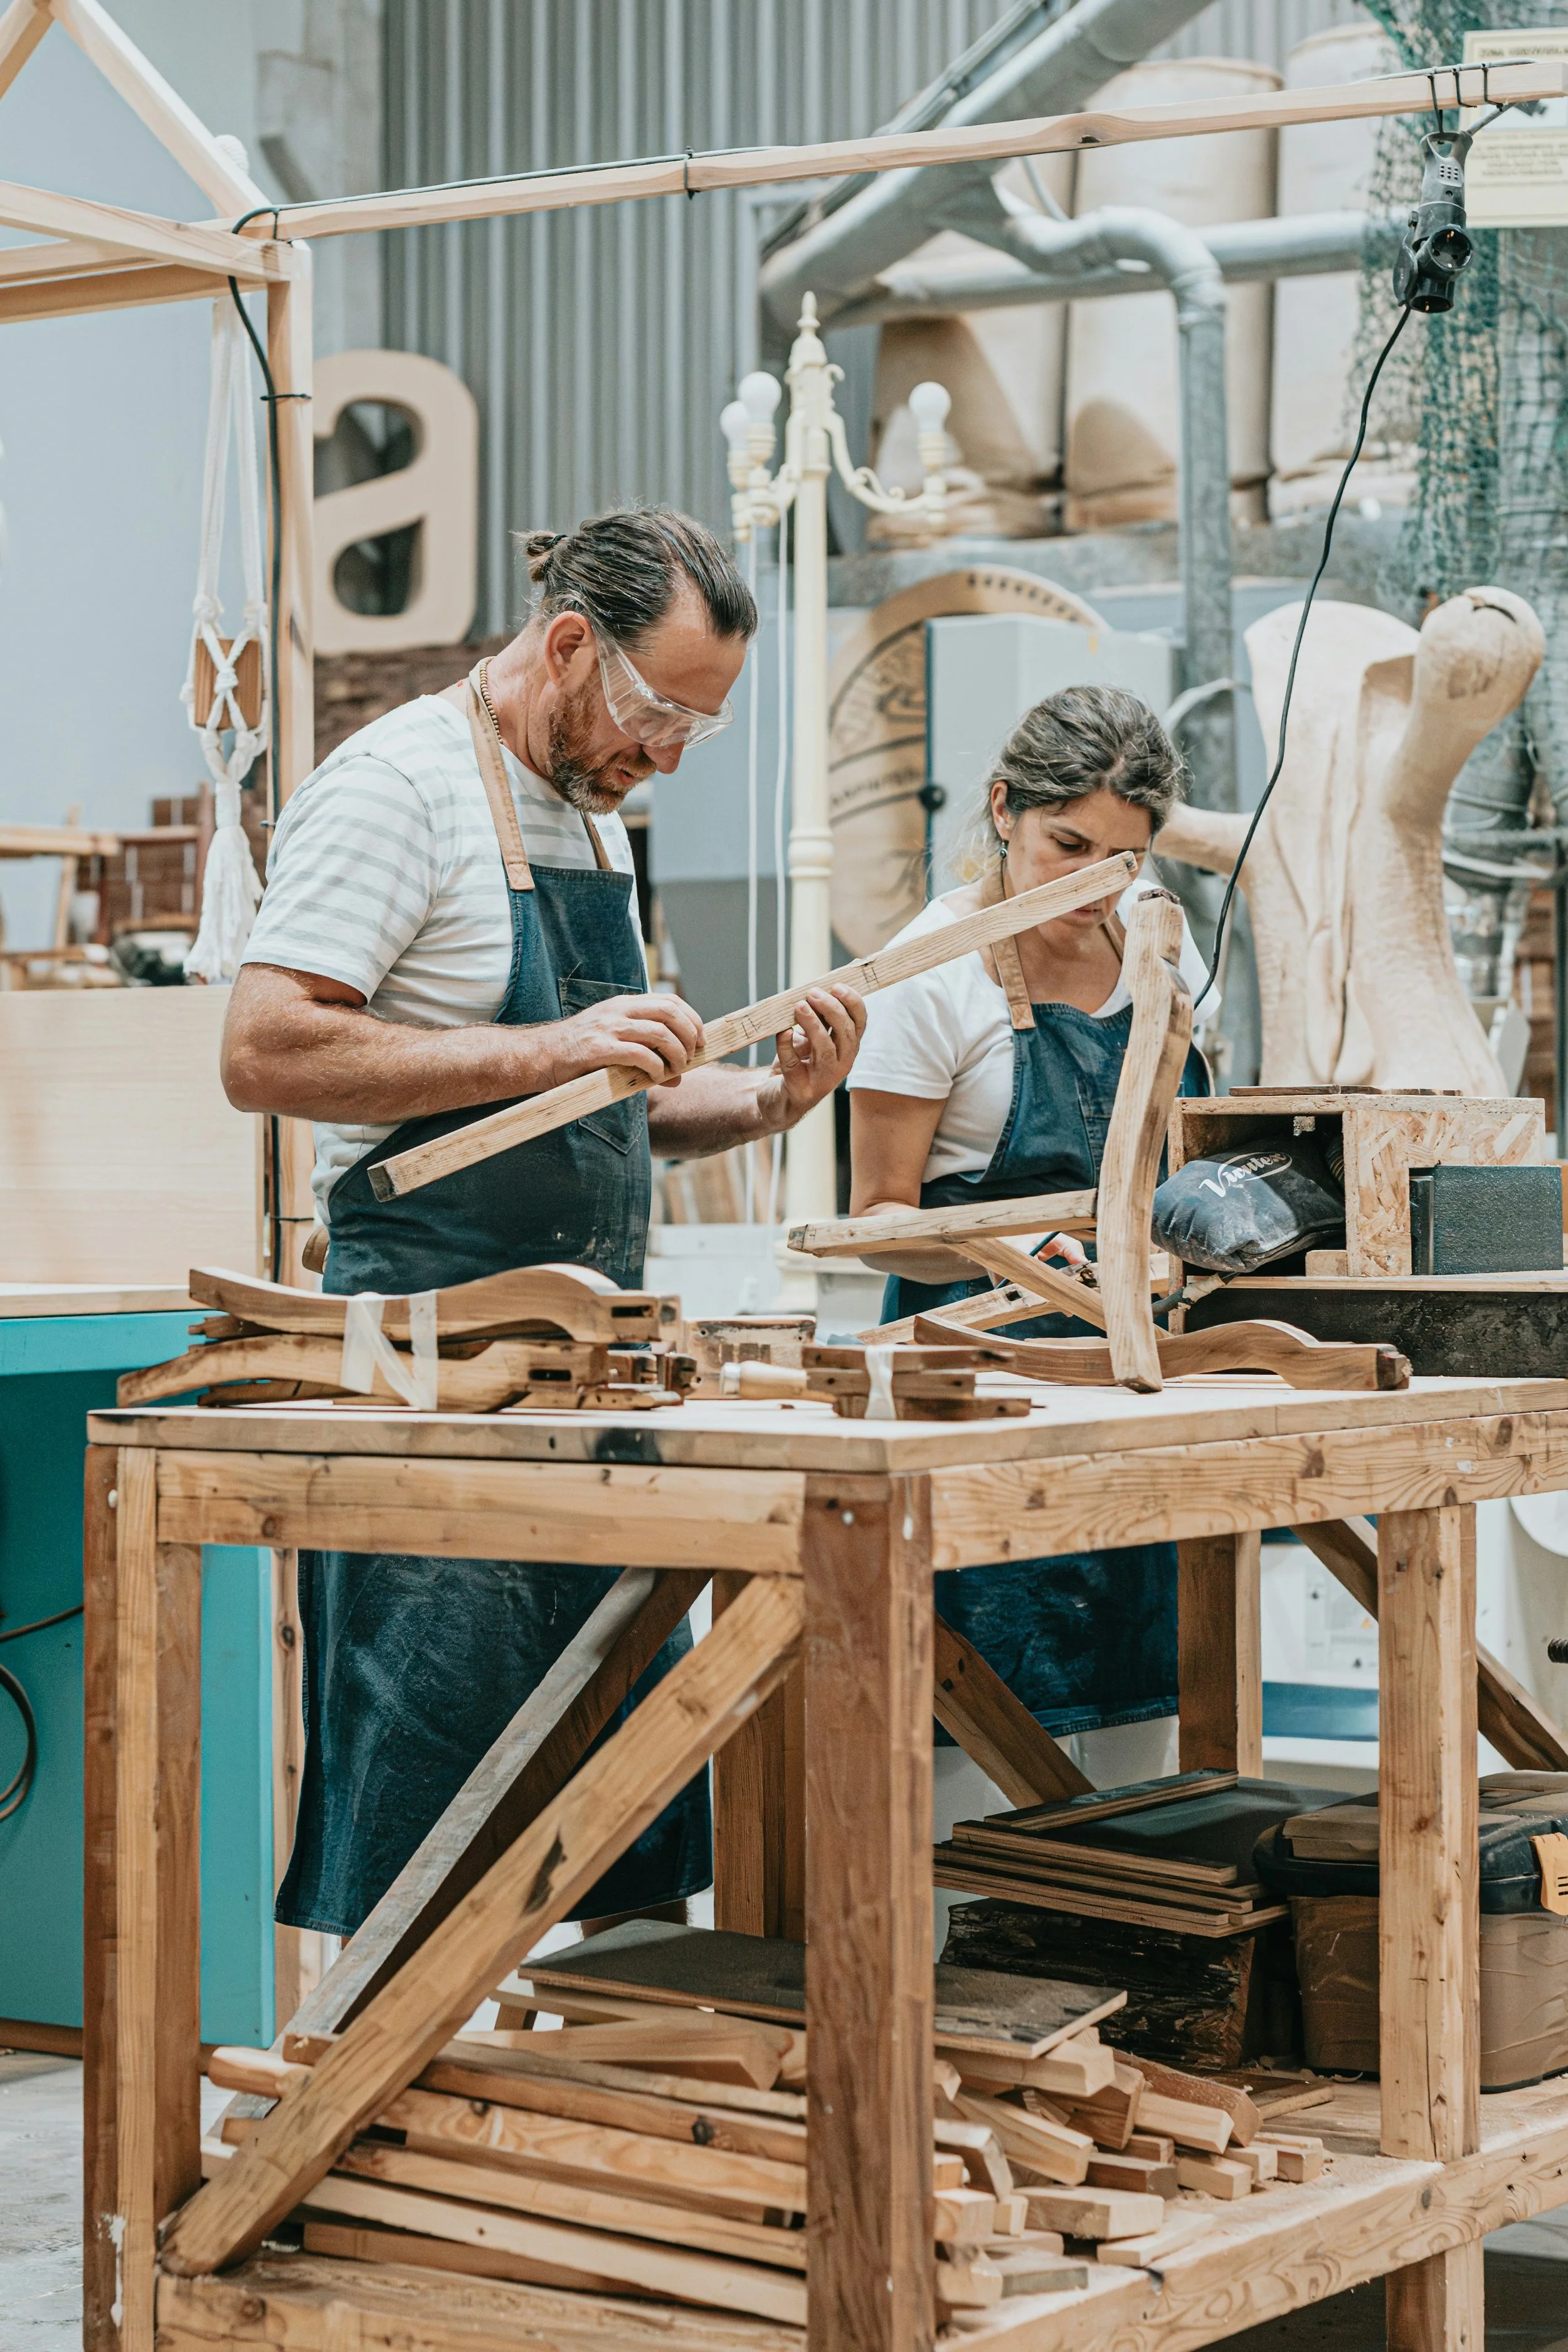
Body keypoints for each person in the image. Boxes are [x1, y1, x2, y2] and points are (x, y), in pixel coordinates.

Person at [223, 506, 866, 1939]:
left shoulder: (585, 809)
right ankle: (379, 2111)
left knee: (618, 1774)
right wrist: (546, 1048)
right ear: (569, 643)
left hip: (595, 1376)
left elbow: (606, 1102)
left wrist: (763, 1105)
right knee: (427, 1775)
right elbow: (264, 1050)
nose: (663, 758)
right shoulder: (395, 787)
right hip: (436, 1376)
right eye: (654, 716)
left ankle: (593, 2102)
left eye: (698, 732)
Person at [847, 684, 1212, 1782]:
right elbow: (876, 1220)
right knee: (973, 1742)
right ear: (1004, 808)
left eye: (1125, 858)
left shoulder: (1164, 958)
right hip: (975, 1385)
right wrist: (1006, 1249)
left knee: (1135, 1755)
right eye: (1069, 845)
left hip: (1130, 1383)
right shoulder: (927, 971)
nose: (1095, 882)